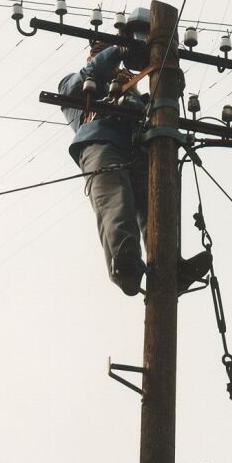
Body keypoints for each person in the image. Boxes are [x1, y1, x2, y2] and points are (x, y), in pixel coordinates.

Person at [58, 42, 211, 296]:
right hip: (102, 142)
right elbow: (79, 82)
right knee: (115, 200)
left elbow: (156, 112)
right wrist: (118, 50)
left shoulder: (132, 92)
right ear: (91, 58)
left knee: (158, 205)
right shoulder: (76, 83)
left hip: (140, 148)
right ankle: (125, 264)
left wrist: (160, 86)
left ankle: (171, 267)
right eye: (102, 57)